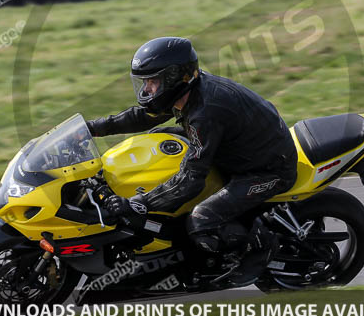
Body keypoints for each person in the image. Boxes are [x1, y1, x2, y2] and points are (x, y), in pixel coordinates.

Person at [86, 36, 297, 286]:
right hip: (234, 151)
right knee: (158, 139)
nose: (147, 89)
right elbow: (143, 117)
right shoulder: (188, 91)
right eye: (145, 81)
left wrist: (139, 203)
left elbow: (190, 181)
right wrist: (91, 129)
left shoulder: (205, 112)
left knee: (201, 219)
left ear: (175, 77)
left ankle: (261, 245)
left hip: (268, 169)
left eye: (153, 81)